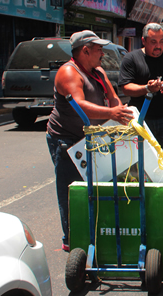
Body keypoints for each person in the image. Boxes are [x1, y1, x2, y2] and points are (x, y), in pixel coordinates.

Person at [46, 30, 133, 251]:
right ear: (85, 50)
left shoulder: (97, 71)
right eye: (98, 49)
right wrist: (111, 114)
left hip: (90, 136)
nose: (102, 53)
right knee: (71, 190)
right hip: (66, 139)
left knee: (94, 185)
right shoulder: (68, 73)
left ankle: (93, 231)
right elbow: (79, 104)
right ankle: (70, 239)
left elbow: (113, 97)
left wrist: (120, 112)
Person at [119, 23, 163, 176]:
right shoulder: (131, 59)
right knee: (139, 164)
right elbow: (126, 87)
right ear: (143, 41)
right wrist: (147, 88)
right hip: (141, 121)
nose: (158, 46)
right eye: (153, 42)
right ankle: (142, 196)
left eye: (161, 41)